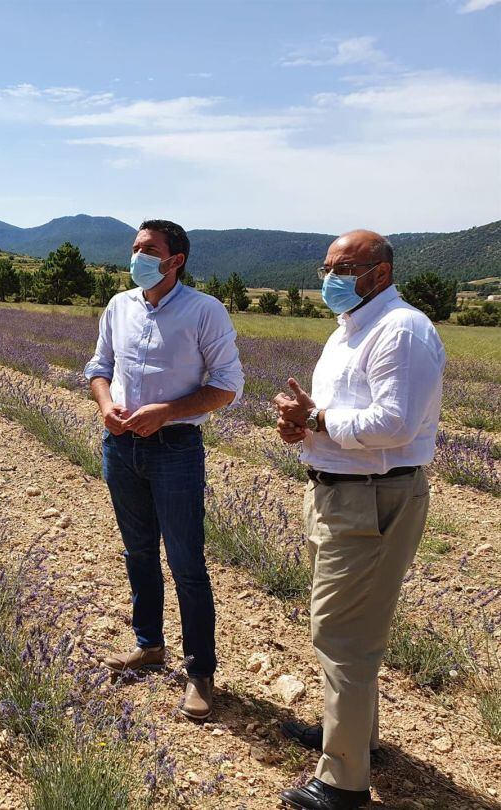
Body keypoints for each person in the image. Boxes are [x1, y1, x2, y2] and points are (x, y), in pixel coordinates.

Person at [272, 230, 445, 810]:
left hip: (372, 499)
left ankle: (345, 783)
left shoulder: (403, 330)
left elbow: (394, 423)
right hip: (338, 494)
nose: (330, 277)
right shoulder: (349, 331)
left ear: (381, 272)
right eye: (326, 266)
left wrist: (316, 419)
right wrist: (300, 425)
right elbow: (337, 415)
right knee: (347, 626)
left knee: (343, 633)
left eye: (343, 267)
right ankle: (349, 737)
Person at [85, 219, 244, 721]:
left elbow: (227, 386)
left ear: (175, 260)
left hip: (175, 449)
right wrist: (105, 404)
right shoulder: (119, 305)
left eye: (148, 249)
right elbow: (99, 365)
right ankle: (150, 645)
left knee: (186, 563)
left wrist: (167, 412)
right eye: (135, 247)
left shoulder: (204, 311)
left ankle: (200, 671)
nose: (137, 256)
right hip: (121, 446)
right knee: (138, 552)